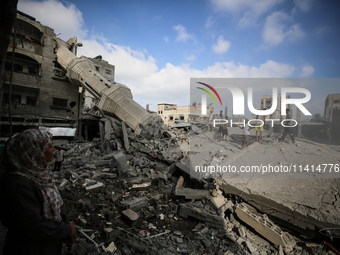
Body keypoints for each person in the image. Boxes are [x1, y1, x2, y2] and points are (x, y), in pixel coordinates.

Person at [0, 129, 77, 255]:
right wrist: (66, 230)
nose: (53, 150)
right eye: (49, 146)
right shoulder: (17, 184)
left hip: (48, 244)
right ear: (32, 151)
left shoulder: (42, 175)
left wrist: (65, 228)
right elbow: (33, 226)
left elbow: (57, 204)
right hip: (28, 249)